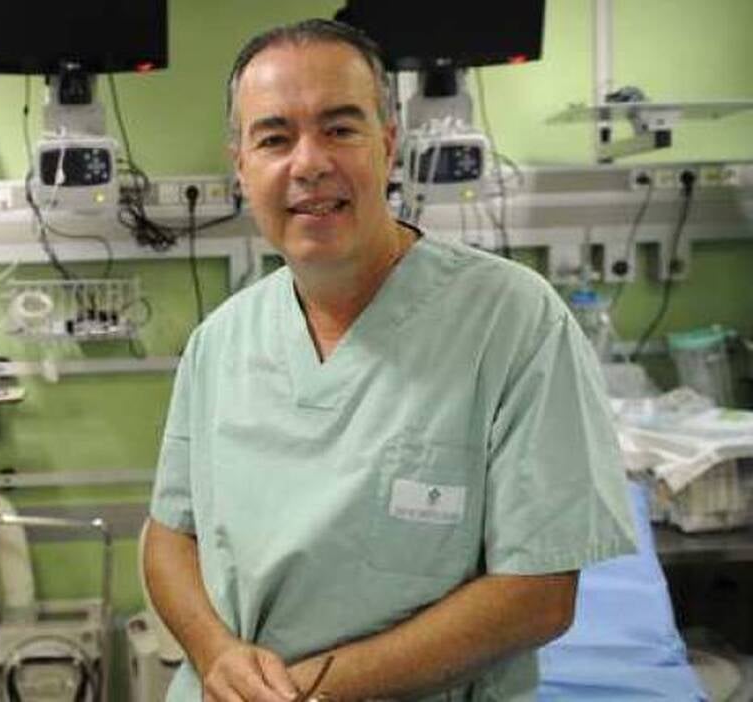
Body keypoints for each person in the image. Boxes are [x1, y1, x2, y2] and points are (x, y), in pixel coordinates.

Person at [143, 18, 636, 702]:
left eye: (340, 128)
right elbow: (170, 537)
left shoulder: (512, 322)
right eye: (274, 138)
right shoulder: (219, 343)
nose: (308, 163)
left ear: (388, 144)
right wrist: (217, 655)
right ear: (242, 166)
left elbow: (539, 593)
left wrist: (309, 690)